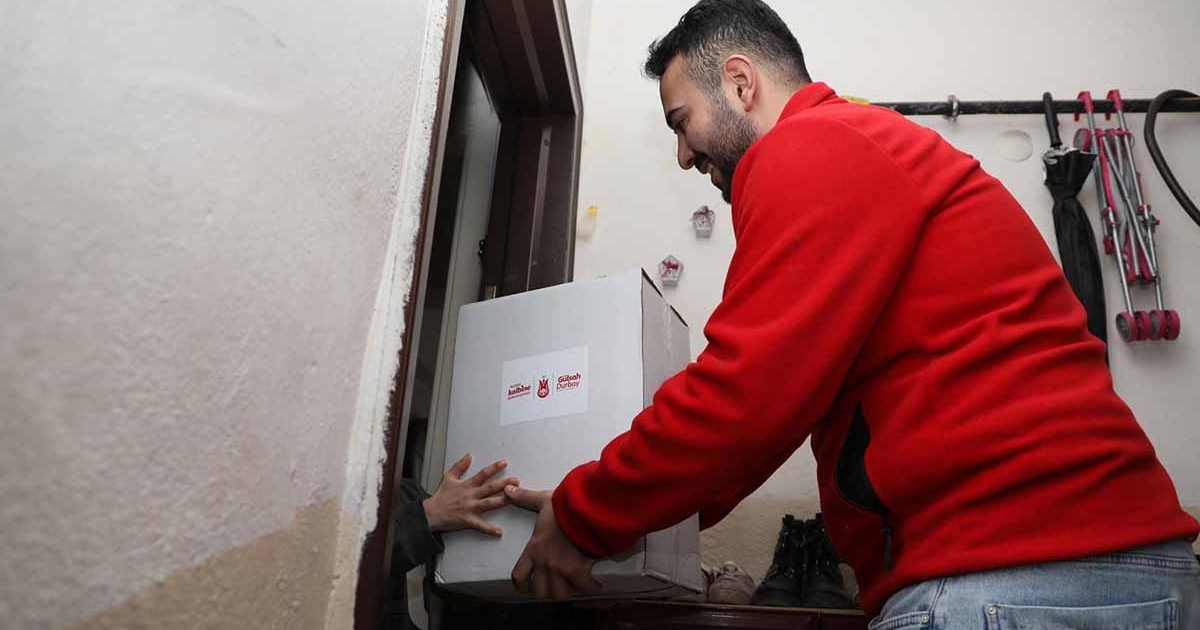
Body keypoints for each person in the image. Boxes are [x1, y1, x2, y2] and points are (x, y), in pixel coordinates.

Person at [503, 0, 1200, 627]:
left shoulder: (813, 144)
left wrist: (584, 515)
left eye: (681, 124)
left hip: (1013, 573)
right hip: (1070, 565)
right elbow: (771, 410)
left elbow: (747, 393)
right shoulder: (862, 145)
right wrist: (631, 520)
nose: (684, 155)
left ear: (740, 83)